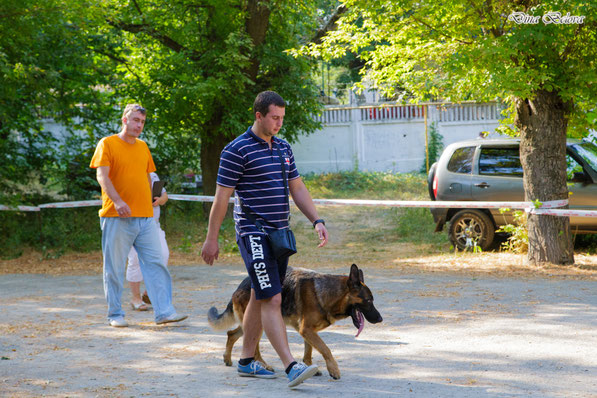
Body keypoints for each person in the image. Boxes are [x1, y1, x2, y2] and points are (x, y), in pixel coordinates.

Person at [201, 91, 329, 388]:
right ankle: (291, 366)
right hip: (252, 233)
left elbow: (296, 187)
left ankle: (246, 361)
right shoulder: (236, 150)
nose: (279, 123)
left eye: (282, 118)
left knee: (261, 295)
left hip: (279, 235)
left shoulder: (283, 147)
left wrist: (317, 220)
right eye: (274, 117)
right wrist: (212, 238)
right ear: (258, 115)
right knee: (272, 296)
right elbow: (222, 198)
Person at [90, 103, 187, 327]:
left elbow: (149, 179)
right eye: (135, 120)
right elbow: (102, 177)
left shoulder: (143, 147)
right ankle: (115, 314)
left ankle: (164, 312)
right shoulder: (107, 143)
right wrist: (118, 201)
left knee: (156, 263)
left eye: (142, 122)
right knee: (114, 267)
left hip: (146, 217)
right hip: (116, 216)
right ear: (125, 120)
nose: (139, 125)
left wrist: (160, 197)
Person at [127, 172, 169, 311]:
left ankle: (148, 293)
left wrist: (159, 200)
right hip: (134, 222)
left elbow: (164, 196)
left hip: (153, 224)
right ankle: (135, 298)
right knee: (135, 260)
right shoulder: (128, 172)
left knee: (163, 255)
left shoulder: (153, 175)